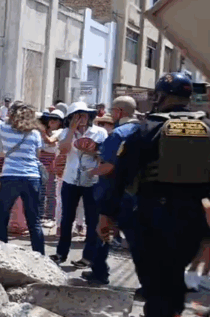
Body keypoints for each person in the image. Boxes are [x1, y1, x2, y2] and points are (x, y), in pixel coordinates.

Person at [98, 73, 210, 316]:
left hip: (154, 219)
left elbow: (120, 177)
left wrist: (106, 215)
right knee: (177, 281)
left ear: (159, 96)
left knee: (158, 286)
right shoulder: (207, 128)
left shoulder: (146, 129)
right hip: (197, 220)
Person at [0, 101, 46, 254]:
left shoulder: (4, 129)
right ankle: (40, 255)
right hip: (32, 177)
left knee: (3, 216)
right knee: (34, 220)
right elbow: (37, 156)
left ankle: (1, 253)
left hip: (10, 176)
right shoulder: (35, 134)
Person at [82, 96, 141, 287]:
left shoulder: (118, 134)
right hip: (139, 192)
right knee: (136, 238)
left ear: (118, 112)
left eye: (113, 111)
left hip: (113, 192)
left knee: (103, 231)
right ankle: (148, 282)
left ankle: (100, 273)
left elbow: (108, 166)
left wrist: (91, 172)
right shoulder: (145, 130)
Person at [49, 102, 108, 266]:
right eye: (76, 115)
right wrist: (72, 131)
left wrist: (91, 150)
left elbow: (104, 154)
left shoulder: (99, 132)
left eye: (83, 114)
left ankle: (88, 257)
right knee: (66, 219)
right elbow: (64, 150)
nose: (81, 118)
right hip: (70, 179)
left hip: (92, 180)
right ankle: (61, 254)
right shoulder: (66, 132)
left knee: (92, 220)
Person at [38, 110, 64, 224]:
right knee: (40, 189)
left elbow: (50, 143)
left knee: (51, 190)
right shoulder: (43, 131)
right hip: (40, 160)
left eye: (55, 119)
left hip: (52, 160)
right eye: (51, 119)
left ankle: (50, 216)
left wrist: (41, 131)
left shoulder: (60, 132)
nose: (52, 121)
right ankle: (40, 214)